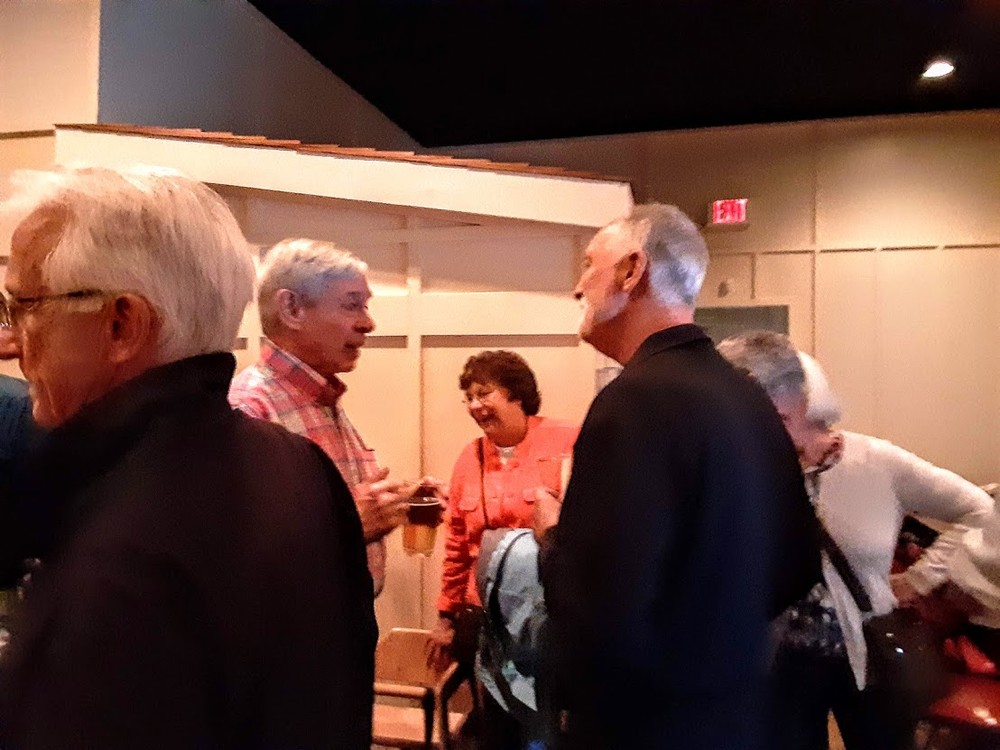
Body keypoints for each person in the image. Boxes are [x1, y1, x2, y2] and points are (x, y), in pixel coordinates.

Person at [0, 165, 377, 749]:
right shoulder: (298, 464)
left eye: (26, 306)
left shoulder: (116, 557)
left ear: (122, 325)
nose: (15, 342)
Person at [534, 204, 820, 749]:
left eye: (590, 264)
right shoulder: (747, 397)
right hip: (738, 712)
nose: (577, 287)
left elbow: (601, 606)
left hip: (648, 724)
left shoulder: (632, 402)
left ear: (632, 270)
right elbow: (798, 561)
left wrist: (552, 536)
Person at [717, 330, 993, 750]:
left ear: (808, 405)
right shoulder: (751, 471)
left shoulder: (876, 463)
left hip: (872, 653)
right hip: (779, 664)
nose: (764, 430)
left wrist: (918, 580)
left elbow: (980, 509)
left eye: (780, 417)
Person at [229, 237, 419, 597]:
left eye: (365, 306)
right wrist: (353, 525)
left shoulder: (319, 399)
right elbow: (240, 558)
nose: (368, 323)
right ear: (292, 309)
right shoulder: (250, 409)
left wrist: (392, 503)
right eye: (352, 305)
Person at [431, 350, 578, 749]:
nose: (474, 405)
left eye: (484, 393)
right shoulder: (469, 457)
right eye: (468, 397)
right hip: (486, 621)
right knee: (497, 725)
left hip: (548, 618)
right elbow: (457, 545)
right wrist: (445, 617)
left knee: (549, 723)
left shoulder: (568, 440)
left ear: (517, 393)